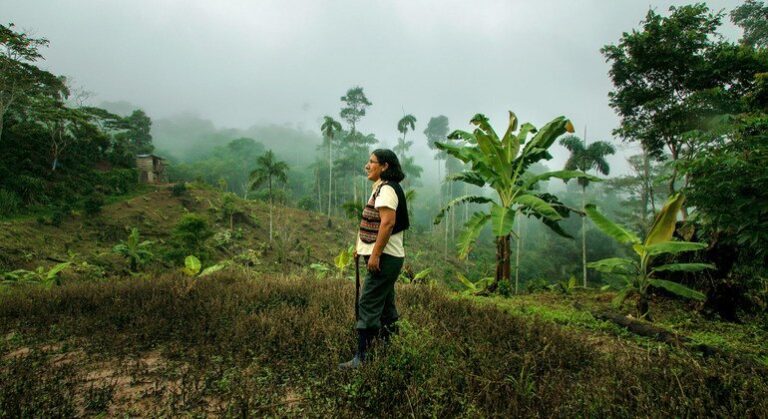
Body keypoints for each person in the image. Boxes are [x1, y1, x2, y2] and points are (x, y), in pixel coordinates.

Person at [339, 149, 409, 369]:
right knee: (386, 306)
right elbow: (375, 225)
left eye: (372, 162)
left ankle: (362, 357)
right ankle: (390, 352)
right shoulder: (381, 189)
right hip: (387, 257)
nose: (367, 166)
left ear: (385, 166)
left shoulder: (387, 190)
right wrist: (362, 248)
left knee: (368, 302)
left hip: (385, 258)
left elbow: (387, 224)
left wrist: (375, 254)